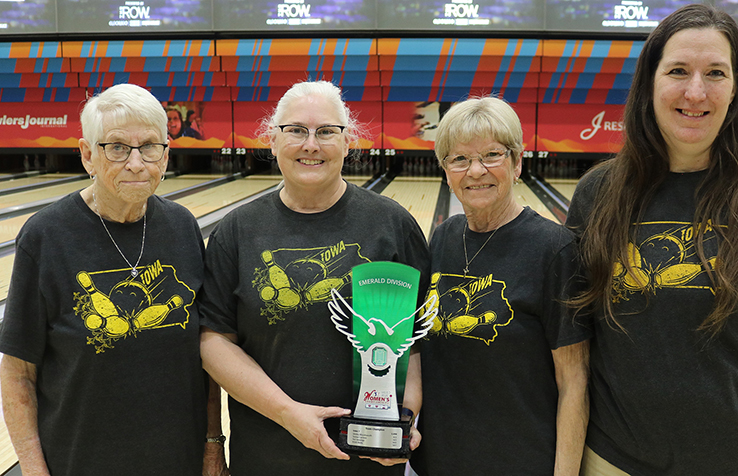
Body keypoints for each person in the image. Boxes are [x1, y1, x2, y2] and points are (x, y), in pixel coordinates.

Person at [565, 4, 738, 476]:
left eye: (715, 72)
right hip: (615, 462)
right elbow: (575, 342)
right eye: (678, 71)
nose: (696, 91)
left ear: (736, 90)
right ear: (649, 83)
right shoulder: (599, 193)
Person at [198, 80, 430, 475]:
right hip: (267, 457)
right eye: (295, 131)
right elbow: (213, 341)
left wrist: (403, 420)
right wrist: (289, 414)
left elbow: (415, 342)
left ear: (347, 142)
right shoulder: (237, 230)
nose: (311, 145)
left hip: (368, 460)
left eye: (326, 131)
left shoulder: (393, 226)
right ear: (272, 141)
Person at [0, 83, 227, 475]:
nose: (136, 163)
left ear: (166, 152)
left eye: (149, 147)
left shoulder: (182, 226)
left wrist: (212, 447)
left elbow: (204, 354)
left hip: (179, 460)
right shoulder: (46, 236)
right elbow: (17, 372)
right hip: (79, 461)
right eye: (117, 148)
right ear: (88, 154)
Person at [410, 97, 591, 476]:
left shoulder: (554, 249)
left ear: (517, 162)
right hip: (439, 461)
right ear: (445, 170)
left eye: (492, 154)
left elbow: (574, 382)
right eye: (459, 159)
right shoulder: (443, 237)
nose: (476, 170)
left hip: (520, 459)